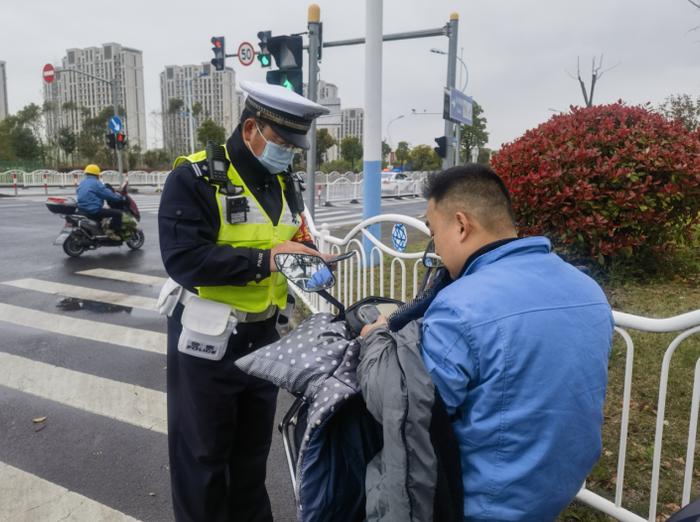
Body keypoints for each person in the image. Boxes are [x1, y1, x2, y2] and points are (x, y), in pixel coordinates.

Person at [362, 164, 614, 521]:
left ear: (462, 225)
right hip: (555, 490)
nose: (434, 247)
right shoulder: (587, 289)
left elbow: (406, 404)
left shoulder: (461, 305)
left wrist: (375, 341)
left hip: (485, 503)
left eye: (434, 233)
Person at [158, 81, 330, 522]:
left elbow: (290, 236)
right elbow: (184, 259)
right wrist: (266, 260)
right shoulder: (194, 178)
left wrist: (308, 255)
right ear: (251, 128)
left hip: (263, 336)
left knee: (252, 456)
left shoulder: (282, 180)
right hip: (207, 339)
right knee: (204, 458)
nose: (290, 152)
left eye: (296, 146)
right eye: (283, 142)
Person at [76, 163, 125, 239]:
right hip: (93, 210)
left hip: (82, 208)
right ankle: (112, 232)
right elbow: (108, 194)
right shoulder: (96, 183)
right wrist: (119, 197)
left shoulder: (82, 182)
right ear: (97, 174)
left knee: (104, 214)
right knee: (119, 213)